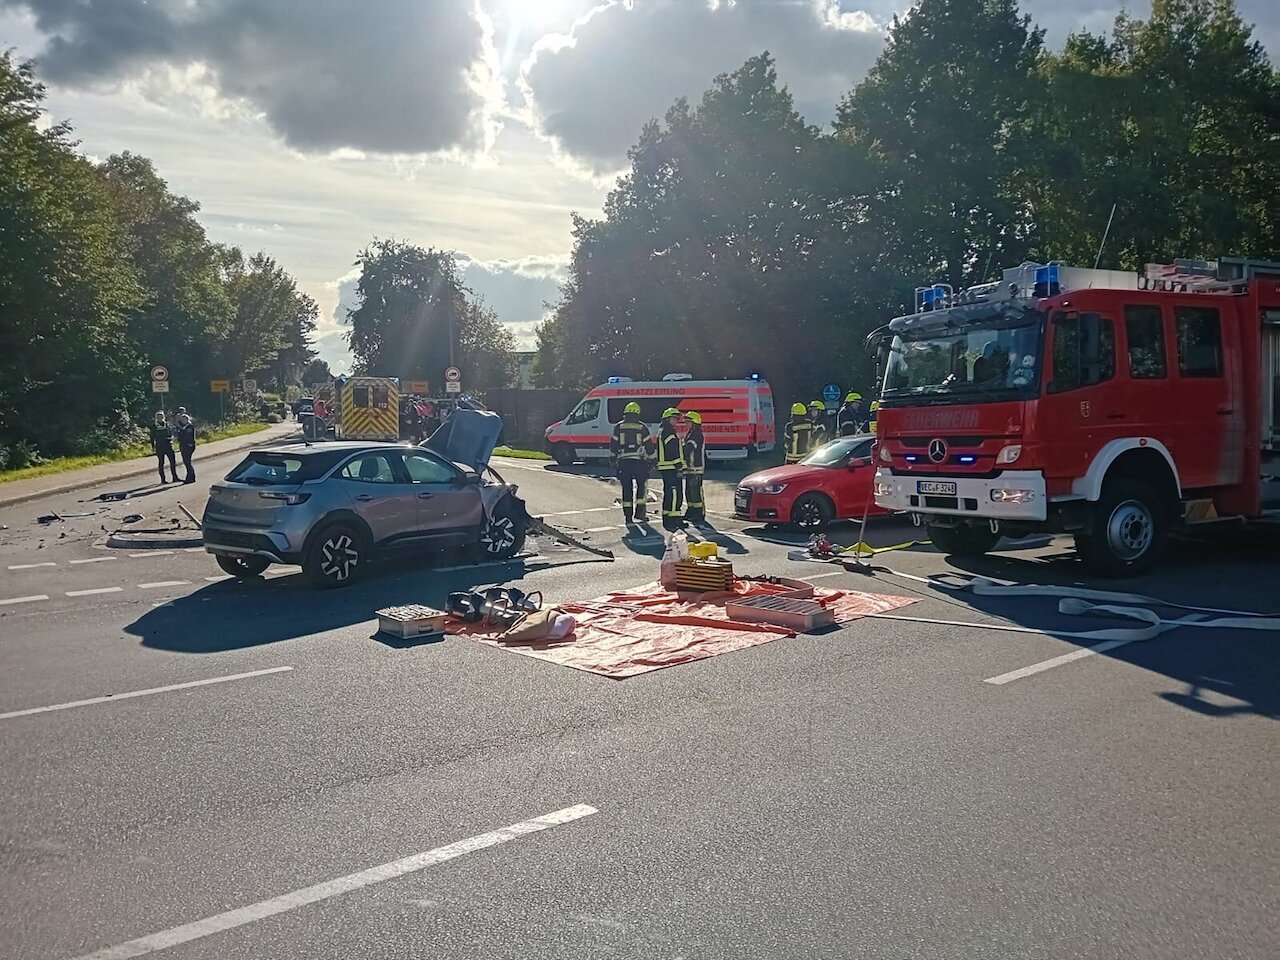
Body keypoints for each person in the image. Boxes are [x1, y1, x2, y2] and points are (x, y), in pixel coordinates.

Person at [610, 401, 652, 524]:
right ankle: (640, 514)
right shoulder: (642, 427)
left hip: (624, 462)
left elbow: (614, 445)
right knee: (641, 487)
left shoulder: (618, 427)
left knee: (626, 489)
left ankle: (628, 517)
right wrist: (653, 460)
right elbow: (649, 446)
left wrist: (612, 458)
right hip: (639, 463)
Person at [655, 407, 686, 531]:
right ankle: (673, 521)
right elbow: (672, 451)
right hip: (671, 468)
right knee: (674, 494)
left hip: (667, 468)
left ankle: (670, 518)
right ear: (668, 419)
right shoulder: (668, 432)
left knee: (670, 494)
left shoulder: (664, 430)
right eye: (675, 418)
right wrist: (679, 466)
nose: (677, 421)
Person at [682, 410, 706, 525]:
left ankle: (699, 514)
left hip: (696, 469)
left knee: (695, 493)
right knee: (689, 492)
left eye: (688, 422)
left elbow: (688, 448)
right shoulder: (690, 433)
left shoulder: (697, 435)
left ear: (695, 423)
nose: (686, 424)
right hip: (689, 469)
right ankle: (691, 511)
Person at [151, 411, 178, 483]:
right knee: (161, 463)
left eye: (161, 416)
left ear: (164, 417)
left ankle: (175, 477)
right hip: (160, 446)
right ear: (156, 418)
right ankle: (163, 479)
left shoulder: (167, 424)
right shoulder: (154, 426)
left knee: (173, 461)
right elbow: (152, 437)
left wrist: (171, 438)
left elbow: (171, 433)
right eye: (159, 417)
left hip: (168, 445)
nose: (160, 418)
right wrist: (153, 447)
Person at [175, 407, 197, 483]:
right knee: (186, 462)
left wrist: (190, 444)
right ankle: (191, 477)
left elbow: (190, 437)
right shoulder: (181, 428)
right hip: (183, 446)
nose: (184, 421)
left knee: (187, 462)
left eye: (185, 419)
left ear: (188, 420)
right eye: (183, 419)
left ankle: (190, 478)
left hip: (189, 446)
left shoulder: (189, 427)